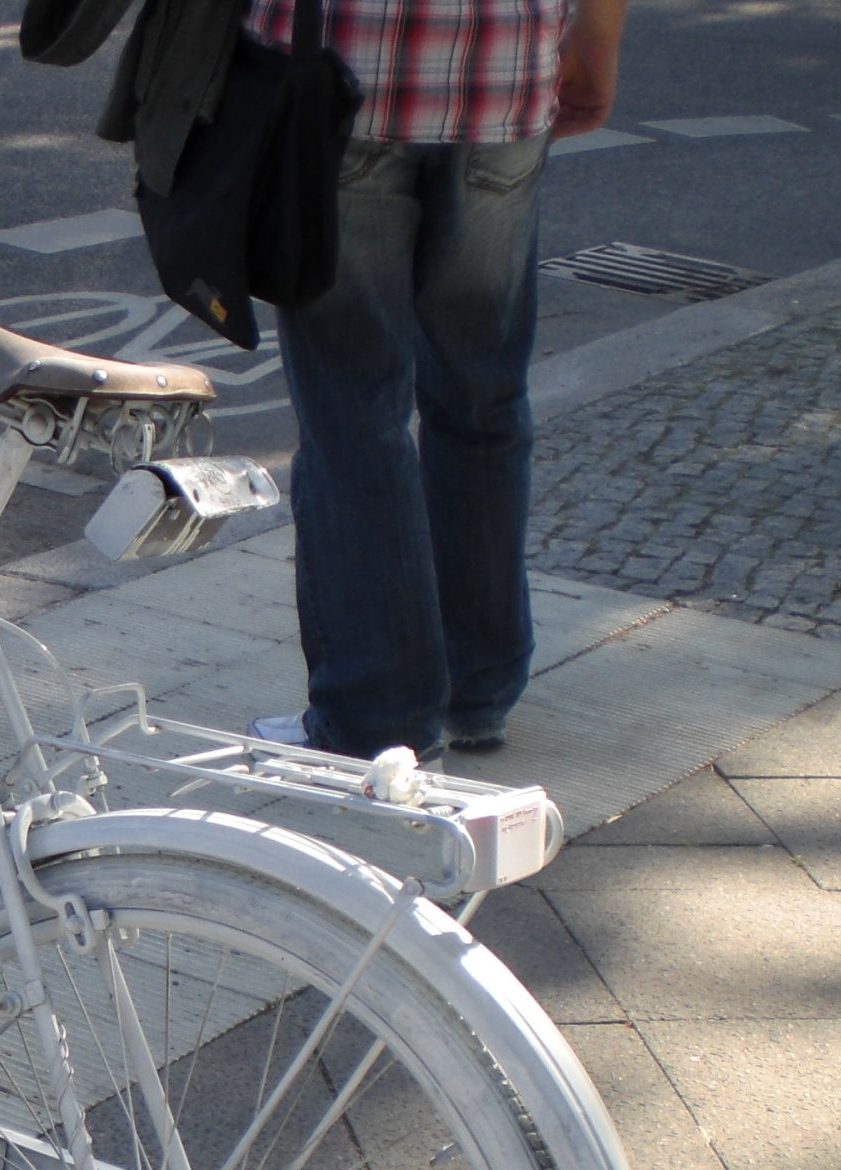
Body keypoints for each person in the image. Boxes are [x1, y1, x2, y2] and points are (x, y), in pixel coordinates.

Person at [246, 0, 629, 760]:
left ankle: (377, 714)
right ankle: (475, 692)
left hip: (334, 70)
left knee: (354, 412)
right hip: (504, 70)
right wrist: (597, 39)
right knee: (482, 394)